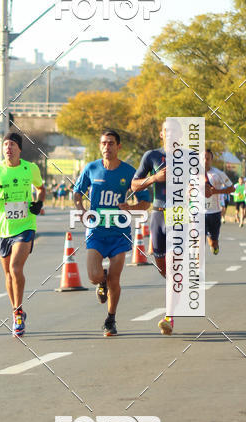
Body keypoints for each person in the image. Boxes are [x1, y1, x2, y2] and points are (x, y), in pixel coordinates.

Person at [73, 130, 150, 337]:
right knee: (93, 276)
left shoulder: (129, 172)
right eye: (104, 143)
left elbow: (145, 201)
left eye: (111, 143)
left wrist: (130, 208)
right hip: (96, 231)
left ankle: (110, 319)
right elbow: (77, 193)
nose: (107, 147)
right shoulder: (91, 168)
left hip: (119, 233)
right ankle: (101, 281)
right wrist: (82, 211)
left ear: (118, 147)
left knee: (115, 280)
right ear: (100, 146)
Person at [0, 132, 45, 337]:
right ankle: (17, 310)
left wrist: (39, 203)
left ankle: (17, 314)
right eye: (5, 144)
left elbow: (41, 189)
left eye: (12, 144)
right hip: (1, 229)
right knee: (7, 274)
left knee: (16, 268)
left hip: (25, 226)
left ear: (19, 149)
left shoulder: (30, 168)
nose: (8, 147)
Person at [131, 122, 173, 334]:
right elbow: (134, 184)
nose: (170, 134)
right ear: (161, 134)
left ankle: (170, 316)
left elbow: (201, 184)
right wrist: (155, 178)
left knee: (175, 266)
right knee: (162, 265)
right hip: (157, 213)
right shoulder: (152, 156)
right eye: (167, 131)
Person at [204, 149, 235, 254]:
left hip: (214, 213)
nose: (205, 160)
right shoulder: (193, 173)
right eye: (203, 158)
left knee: (213, 242)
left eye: (207, 158)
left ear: (211, 160)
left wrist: (216, 191)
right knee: (198, 241)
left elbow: (232, 188)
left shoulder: (218, 173)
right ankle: (198, 267)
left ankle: (214, 243)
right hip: (198, 213)